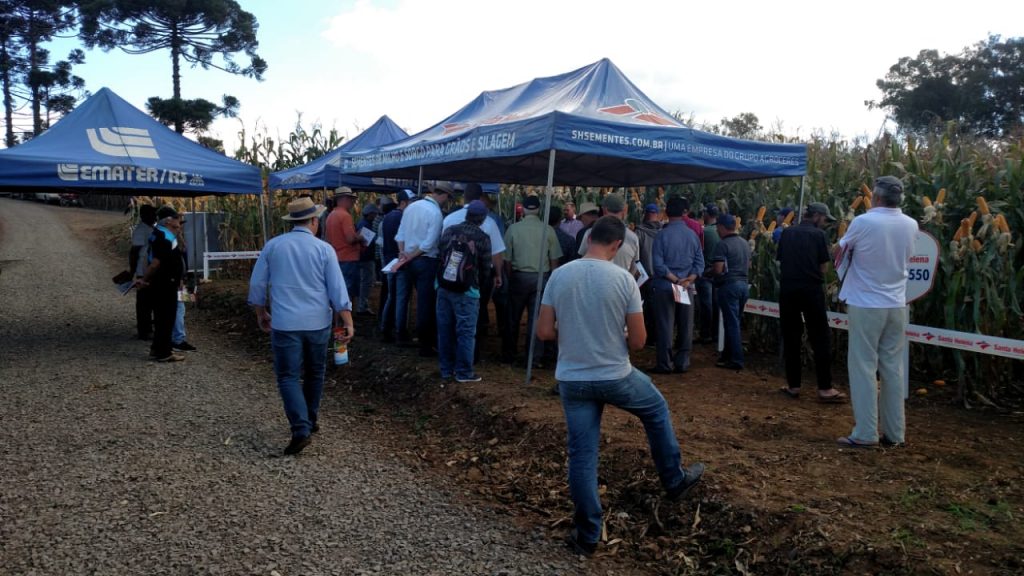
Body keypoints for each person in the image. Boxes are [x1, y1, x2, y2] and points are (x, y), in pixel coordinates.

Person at [536, 215, 704, 556]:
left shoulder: (560, 275)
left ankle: (586, 536)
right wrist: (621, 334)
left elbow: (544, 332)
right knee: (655, 409)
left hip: (572, 378)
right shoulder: (623, 280)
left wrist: (575, 333)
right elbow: (640, 342)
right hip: (615, 375)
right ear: (616, 245)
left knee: (582, 456)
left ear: (589, 240)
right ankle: (673, 479)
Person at [248, 197, 353, 455]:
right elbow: (337, 288)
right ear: (314, 221)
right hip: (318, 322)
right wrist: (348, 319)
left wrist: (261, 312)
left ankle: (300, 427)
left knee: (288, 376)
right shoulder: (324, 249)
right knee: (315, 373)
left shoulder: (273, 246)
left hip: (285, 323)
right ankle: (311, 418)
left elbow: (257, 285)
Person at [836, 176, 918, 448]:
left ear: (876, 198)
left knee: (863, 367)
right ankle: (896, 434)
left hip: (866, 302)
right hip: (897, 303)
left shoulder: (864, 222)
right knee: (893, 369)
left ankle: (866, 432)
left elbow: (841, 250)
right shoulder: (911, 224)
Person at [777, 202, 846, 402]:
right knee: (820, 337)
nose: (825, 223)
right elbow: (824, 268)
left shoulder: (787, 233)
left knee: (791, 336)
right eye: (824, 219)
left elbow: (781, 260)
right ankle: (825, 388)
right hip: (811, 290)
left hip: (788, 290)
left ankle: (793, 386)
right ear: (816, 216)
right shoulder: (818, 236)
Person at [443, 184, 506, 361]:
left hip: (450, 275)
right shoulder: (489, 222)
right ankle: (472, 355)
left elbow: (441, 247)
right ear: (480, 199)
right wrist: (498, 274)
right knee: (475, 316)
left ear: (464, 197)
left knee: (450, 316)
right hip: (476, 278)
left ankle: (450, 356)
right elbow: (497, 253)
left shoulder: (449, 219)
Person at [436, 200, 493, 382]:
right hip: (467, 291)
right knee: (466, 332)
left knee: (445, 329)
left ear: (466, 214)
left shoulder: (449, 231)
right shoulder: (482, 238)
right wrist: (481, 288)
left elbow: (440, 254)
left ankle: (446, 370)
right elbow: (485, 268)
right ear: (482, 219)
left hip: (444, 286)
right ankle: (464, 373)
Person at [502, 195, 562, 366]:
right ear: (538, 209)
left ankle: (509, 354)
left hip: (518, 276)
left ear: (524, 209)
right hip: (540, 279)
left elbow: (506, 259)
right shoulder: (548, 230)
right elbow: (554, 260)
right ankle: (533, 358)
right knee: (536, 319)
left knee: (512, 318)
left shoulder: (513, 229)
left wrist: (510, 276)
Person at [395, 182, 451, 357]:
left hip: (406, 259)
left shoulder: (411, 207)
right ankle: (426, 344)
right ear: (445, 196)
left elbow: (400, 234)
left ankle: (400, 332)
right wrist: (411, 255)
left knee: (402, 297)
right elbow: (429, 243)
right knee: (425, 303)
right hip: (425, 261)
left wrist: (403, 253)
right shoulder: (436, 214)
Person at [650, 197, 704, 374]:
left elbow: (658, 264)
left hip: (666, 285)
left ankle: (665, 363)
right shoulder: (693, 235)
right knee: (686, 325)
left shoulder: (661, 235)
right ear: (685, 213)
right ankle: (682, 362)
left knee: (665, 325)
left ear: (666, 212)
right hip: (686, 286)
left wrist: (674, 279)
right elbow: (699, 263)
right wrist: (688, 280)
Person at [133, 206, 186, 363]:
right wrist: (145, 279)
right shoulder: (164, 237)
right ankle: (163, 352)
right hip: (165, 283)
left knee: (162, 317)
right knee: (165, 318)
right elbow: (156, 262)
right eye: (177, 220)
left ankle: (157, 348)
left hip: (163, 282)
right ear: (169, 221)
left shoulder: (159, 234)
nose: (180, 223)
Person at [709, 213, 750, 370]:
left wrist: (710, 273)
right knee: (734, 321)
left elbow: (718, 269)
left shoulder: (723, 244)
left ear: (721, 227)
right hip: (743, 286)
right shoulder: (744, 243)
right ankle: (727, 355)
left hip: (729, 286)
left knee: (731, 324)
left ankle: (736, 360)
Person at [380, 189, 416, 343]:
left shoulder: (387, 217)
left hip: (390, 261)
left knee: (392, 296)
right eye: (410, 202)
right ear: (403, 202)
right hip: (400, 261)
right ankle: (401, 333)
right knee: (401, 298)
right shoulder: (402, 218)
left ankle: (385, 329)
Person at [577, 194, 639, 275]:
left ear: (604, 210)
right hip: (620, 284)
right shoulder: (633, 238)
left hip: (594, 283)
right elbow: (633, 267)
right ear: (624, 210)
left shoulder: (591, 233)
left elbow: (583, 260)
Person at [325, 187, 364, 305]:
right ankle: (347, 320)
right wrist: (360, 237)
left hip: (336, 257)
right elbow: (350, 239)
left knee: (338, 290)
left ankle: (337, 320)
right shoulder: (345, 216)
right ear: (343, 199)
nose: (353, 202)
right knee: (348, 292)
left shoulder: (331, 215)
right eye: (351, 199)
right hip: (349, 258)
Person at [635, 202, 663, 343]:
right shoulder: (663, 231)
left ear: (645, 214)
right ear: (657, 215)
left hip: (645, 275)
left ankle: (648, 336)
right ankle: (656, 336)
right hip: (662, 275)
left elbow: (636, 255)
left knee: (645, 307)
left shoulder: (639, 232)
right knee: (659, 308)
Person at [129, 204, 157, 341]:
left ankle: (148, 328)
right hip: (143, 271)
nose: (154, 216)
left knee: (150, 301)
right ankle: (144, 330)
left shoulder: (151, 228)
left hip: (151, 271)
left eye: (155, 214)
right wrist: (132, 271)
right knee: (144, 302)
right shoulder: (141, 230)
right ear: (143, 215)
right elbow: (134, 252)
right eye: (152, 214)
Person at [696, 204, 720, 344]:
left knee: (706, 305)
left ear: (707, 214)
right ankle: (716, 333)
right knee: (716, 304)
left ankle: (705, 334)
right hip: (718, 273)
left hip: (705, 272)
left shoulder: (705, 232)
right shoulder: (722, 230)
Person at [355, 203, 379, 315]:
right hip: (366, 258)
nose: (375, 216)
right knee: (366, 282)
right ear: (370, 214)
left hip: (363, 257)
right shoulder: (365, 225)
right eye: (374, 214)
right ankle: (362, 306)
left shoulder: (362, 223)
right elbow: (365, 243)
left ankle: (362, 305)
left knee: (364, 281)